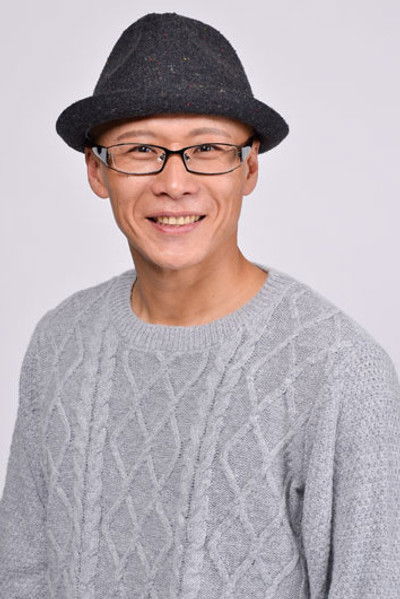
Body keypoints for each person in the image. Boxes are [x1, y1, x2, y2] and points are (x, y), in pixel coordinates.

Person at [0, 11, 399, 599]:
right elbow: (22, 571)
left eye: (207, 148)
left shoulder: (339, 371)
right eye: (141, 149)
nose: (174, 182)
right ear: (96, 171)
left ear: (249, 167)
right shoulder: (59, 342)